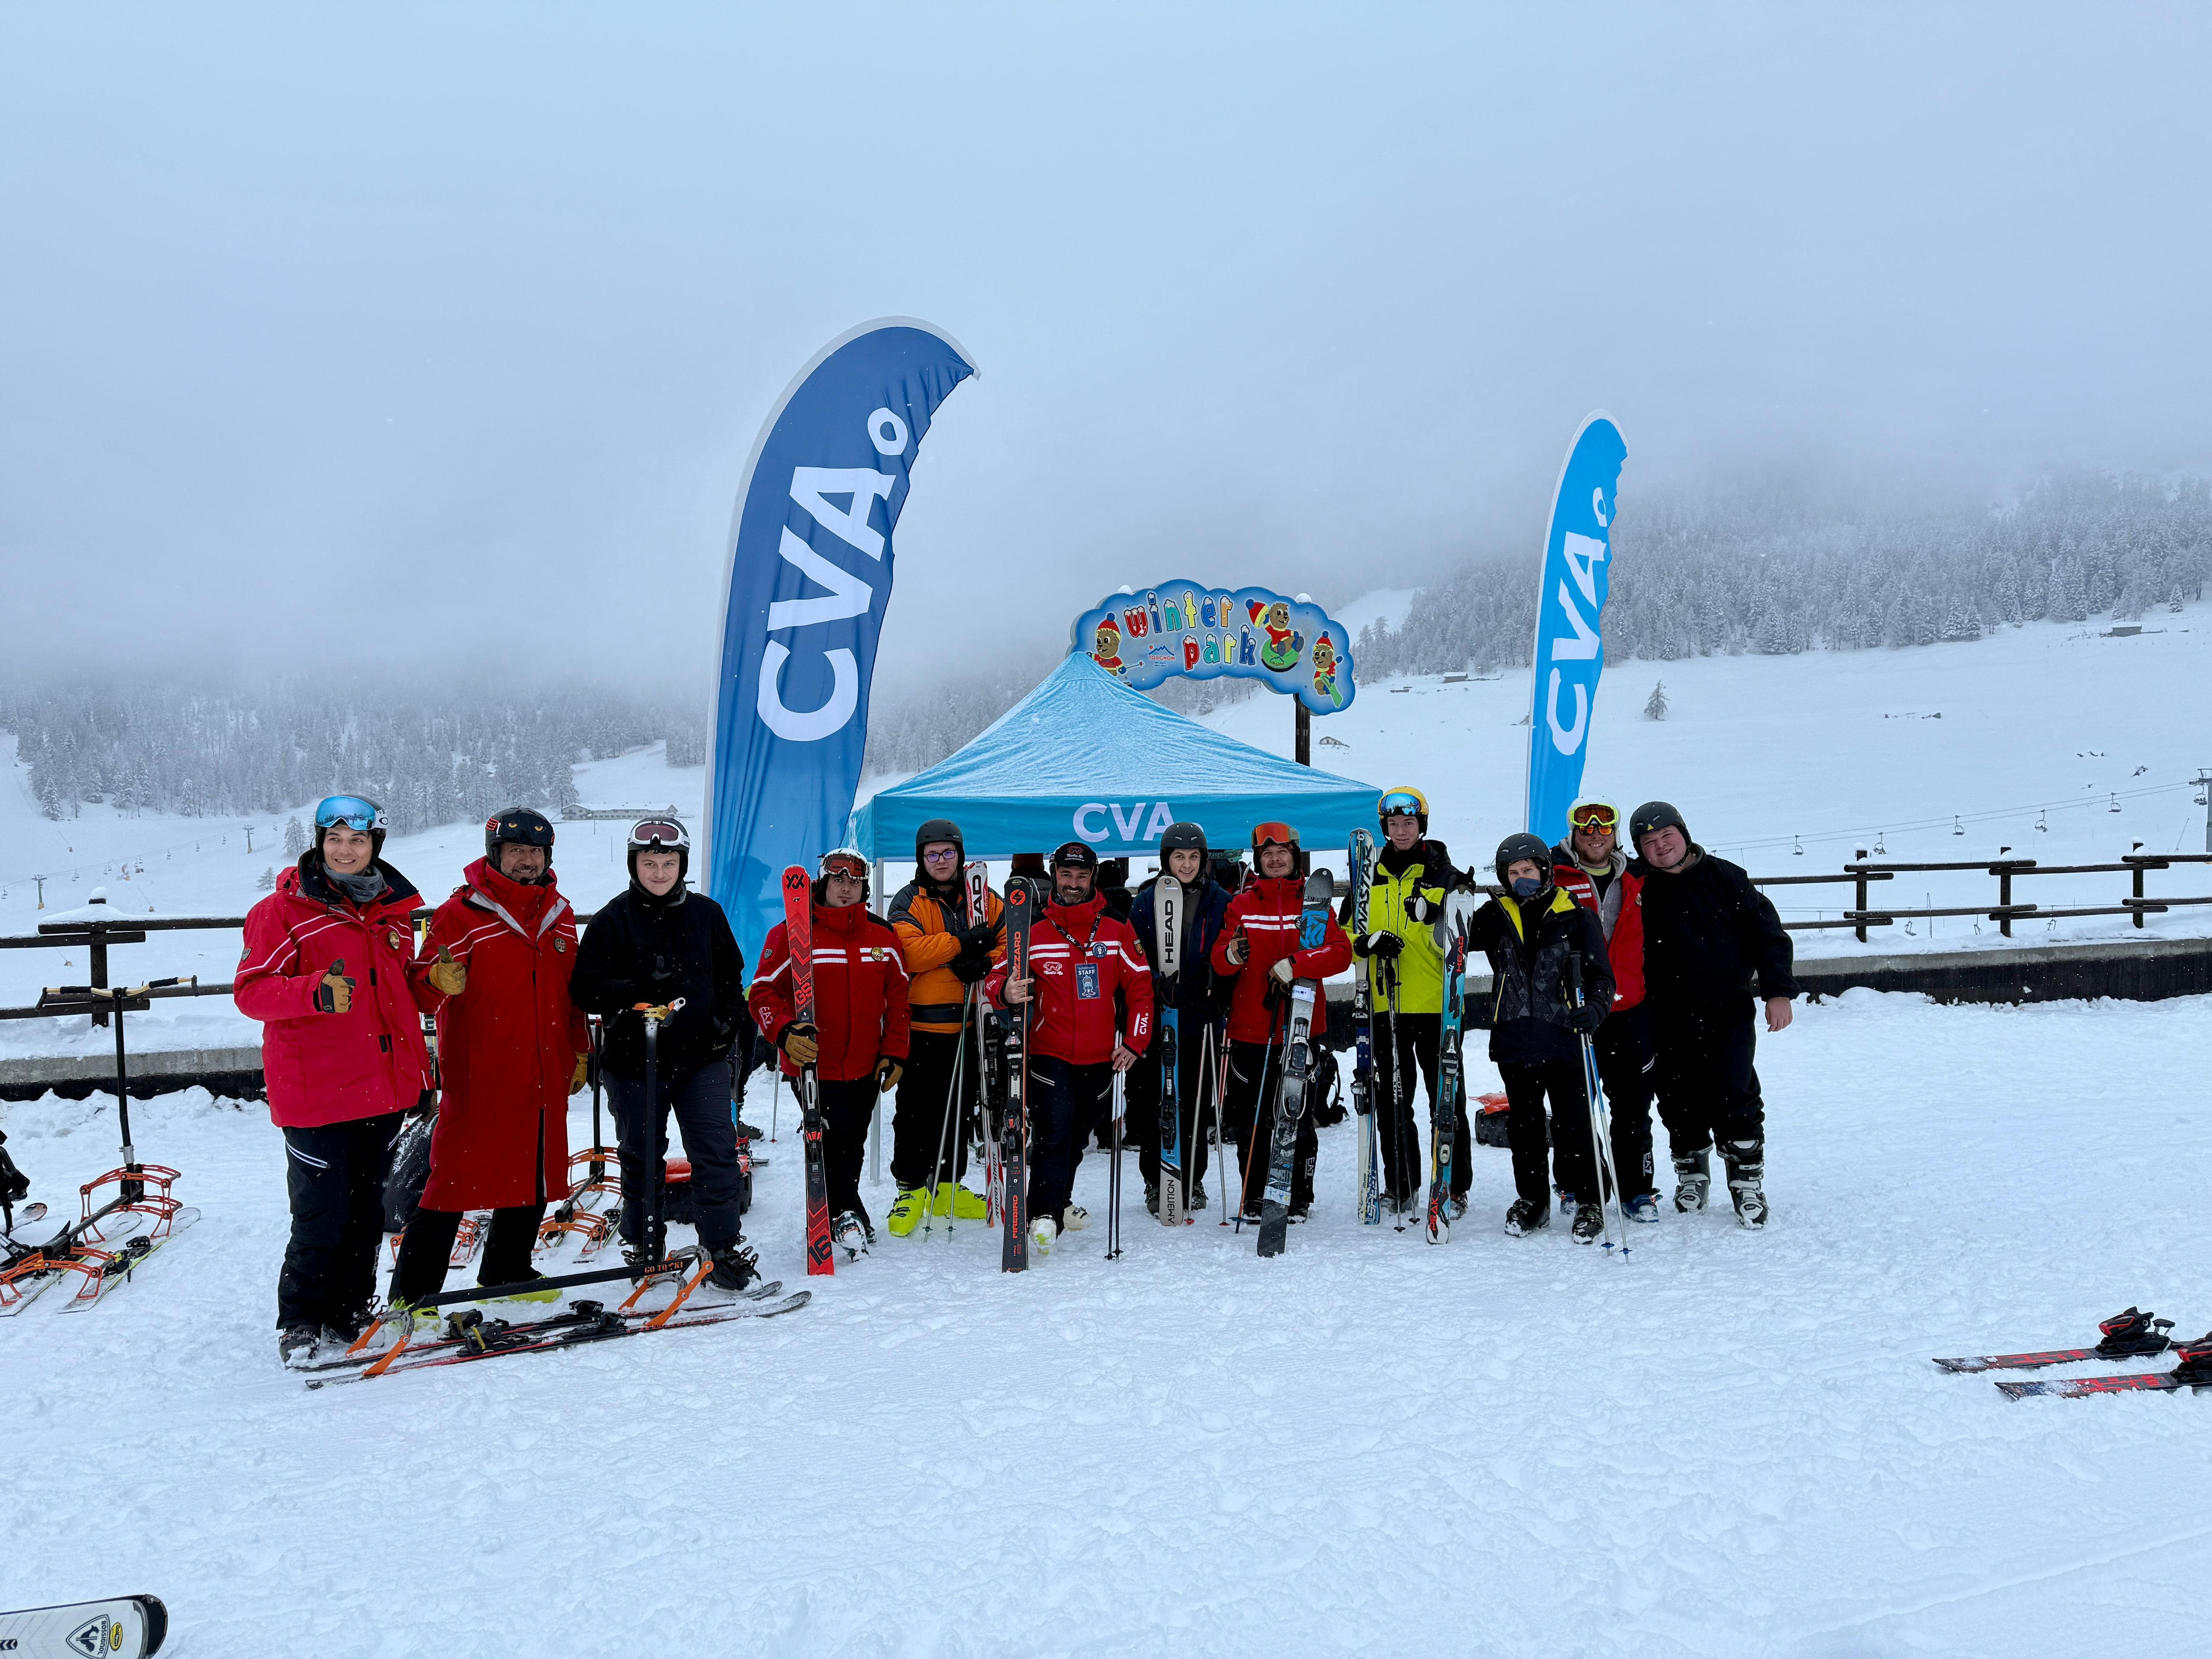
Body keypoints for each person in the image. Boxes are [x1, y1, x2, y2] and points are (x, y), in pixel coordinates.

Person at [235, 795, 432, 1365]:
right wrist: (313, 992)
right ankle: (299, 1321)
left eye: (358, 840)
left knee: (367, 1213)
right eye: (335, 839)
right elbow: (250, 991)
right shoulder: (281, 912)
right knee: (320, 1215)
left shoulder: (392, 911)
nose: (346, 850)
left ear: (375, 845)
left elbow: (401, 996)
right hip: (316, 1094)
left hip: (382, 1090)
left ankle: (349, 1310)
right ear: (319, 844)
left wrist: (434, 985)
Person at [389, 808, 592, 1310]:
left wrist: (580, 1050)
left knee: (535, 1173)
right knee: (451, 1183)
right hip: (481, 1073)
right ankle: (412, 1296)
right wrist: (435, 981)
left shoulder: (559, 913)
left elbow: (572, 993)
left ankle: (506, 1273)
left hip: (545, 1069)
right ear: (494, 854)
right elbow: (421, 989)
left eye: (535, 852)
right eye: (516, 851)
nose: (527, 861)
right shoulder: (461, 913)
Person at [568, 817, 760, 1290]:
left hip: (701, 1059)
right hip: (635, 1063)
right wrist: (634, 990)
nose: (659, 872)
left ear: (682, 866)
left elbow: (731, 977)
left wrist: (728, 1020)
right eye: (650, 863)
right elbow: (585, 988)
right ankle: (645, 1244)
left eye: (668, 863)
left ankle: (721, 1247)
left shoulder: (706, 914)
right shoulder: (613, 919)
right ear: (634, 865)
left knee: (716, 1152)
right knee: (641, 1156)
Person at [1627, 801, 1797, 1229]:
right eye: (1649, 842)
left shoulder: (1726, 878)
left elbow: (1769, 936)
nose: (1660, 846)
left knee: (1734, 1092)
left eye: (1666, 836)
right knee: (1676, 1096)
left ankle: (1746, 1181)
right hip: (1664, 1013)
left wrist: (1778, 992)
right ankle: (1692, 1173)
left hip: (1726, 1009)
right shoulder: (1636, 885)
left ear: (1683, 834)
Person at [984, 841, 1153, 1256]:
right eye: (1066, 875)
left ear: (1092, 878)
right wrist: (1006, 990)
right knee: (1055, 1133)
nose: (1073, 883)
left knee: (1078, 1136)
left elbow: (1141, 988)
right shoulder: (1034, 929)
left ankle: (1059, 1200)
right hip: (1050, 1054)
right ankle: (1043, 1213)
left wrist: (1135, 1042)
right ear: (1054, 875)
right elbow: (995, 979)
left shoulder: (1116, 928)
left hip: (1100, 1057)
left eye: (1081, 876)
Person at [750, 848, 910, 1256]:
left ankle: (841, 1210)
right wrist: (783, 1032)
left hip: (865, 1064)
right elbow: (763, 993)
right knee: (826, 1141)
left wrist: (895, 1052)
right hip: (812, 1064)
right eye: (838, 879)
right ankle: (844, 1214)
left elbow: (898, 1000)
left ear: (865, 888)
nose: (846, 888)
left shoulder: (883, 936)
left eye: (854, 881)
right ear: (822, 884)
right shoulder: (791, 932)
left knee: (852, 1143)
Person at [1463, 833, 1616, 1241]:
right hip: (1515, 1039)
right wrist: (1451, 898)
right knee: (1525, 1127)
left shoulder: (1576, 915)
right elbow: (1456, 937)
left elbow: (1602, 976)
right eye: (1513, 873)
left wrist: (1596, 1007)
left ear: (1545, 870)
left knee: (1573, 1125)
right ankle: (1533, 1199)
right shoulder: (1496, 915)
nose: (1521, 878)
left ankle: (1590, 1199)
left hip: (1565, 1036)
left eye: (1527, 869)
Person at [1208, 822, 1352, 1223]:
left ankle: (1297, 1195)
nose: (1275, 860)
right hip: (1250, 1028)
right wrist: (1232, 955)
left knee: (1297, 1114)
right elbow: (1219, 959)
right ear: (1258, 860)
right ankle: (1255, 1194)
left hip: (1302, 1025)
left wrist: (1297, 963)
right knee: (1252, 1119)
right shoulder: (1241, 905)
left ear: (1294, 857)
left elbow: (1340, 953)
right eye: (1268, 854)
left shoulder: (1313, 904)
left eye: (1282, 853)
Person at [1338, 787, 1460, 1217]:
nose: (1401, 831)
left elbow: (1457, 943)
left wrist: (1428, 921)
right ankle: (1401, 1183)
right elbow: (1343, 939)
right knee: (1393, 1100)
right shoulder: (1366, 878)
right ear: (1385, 828)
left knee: (1445, 1100)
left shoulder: (1444, 876)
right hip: (1384, 1003)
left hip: (1435, 1005)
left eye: (1409, 823)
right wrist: (1365, 943)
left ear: (1421, 825)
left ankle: (1454, 1184)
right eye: (1393, 824)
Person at [883, 819, 1001, 1236]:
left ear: (960, 854)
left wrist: (985, 963)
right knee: (915, 1111)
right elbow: (908, 952)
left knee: (960, 1111)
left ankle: (949, 1185)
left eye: (948, 853)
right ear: (921, 859)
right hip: (923, 1027)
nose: (940, 861)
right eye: (932, 854)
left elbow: (1009, 939)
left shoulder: (983, 897)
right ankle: (912, 1187)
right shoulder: (909, 899)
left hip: (970, 1024)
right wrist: (961, 945)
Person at [1550, 799, 1661, 1222]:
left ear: (1615, 834)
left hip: (1628, 1007)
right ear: (1573, 834)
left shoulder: (1639, 876)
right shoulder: (1553, 874)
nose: (1595, 835)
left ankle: (1637, 1190)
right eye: (1586, 828)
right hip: (1573, 1008)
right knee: (1572, 1108)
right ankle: (1579, 1185)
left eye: (1603, 828)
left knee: (1632, 1106)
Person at [1127, 821, 1231, 1217]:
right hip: (1157, 1016)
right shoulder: (1145, 901)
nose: (1186, 865)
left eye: (1193, 857)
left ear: (1204, 860)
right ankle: (1157, 1179)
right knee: (1155, 1101)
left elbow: (1231, 954)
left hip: (1199, 1016)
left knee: (1195, 1101)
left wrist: (1218, 994)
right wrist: (1156, 984)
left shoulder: (1220, 900)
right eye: (1179, 857)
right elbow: (1133, 955)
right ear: (1165, 860)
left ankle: (1193, 1175)